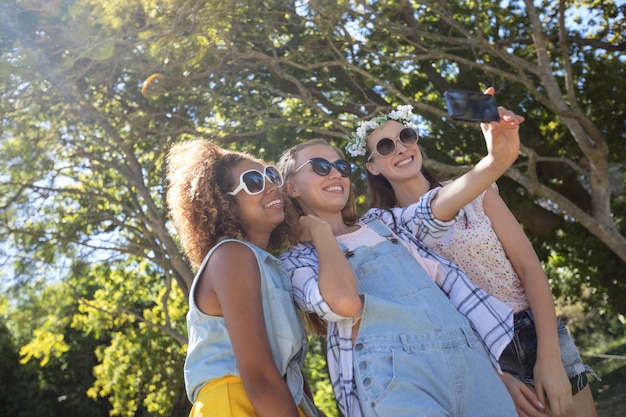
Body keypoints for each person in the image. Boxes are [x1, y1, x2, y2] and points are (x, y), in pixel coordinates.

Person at [357, 94, 598, 417]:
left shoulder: (479, 190)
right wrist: (497, 376)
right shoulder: (387, 231)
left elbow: (529, 269)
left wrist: (550, 358)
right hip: (473, 357)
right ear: (372, 166)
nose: (400, 147)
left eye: (406, 136)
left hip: (534, 331)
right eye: (385, 146)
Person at [277, 102, 522, 417]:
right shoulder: (296, 260)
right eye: (321, 167)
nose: (336, 173)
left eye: (341, 166)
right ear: (292, 187)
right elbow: (343, 303)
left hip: (470, 362)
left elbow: (435, 207)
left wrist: (496, 160)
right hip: (396, 381)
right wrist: (321, 233)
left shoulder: (385, 222)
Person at [165, 139, 319, 417]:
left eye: (271, 175)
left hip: (277, 400)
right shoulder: (231, 256)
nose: (272, 186)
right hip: (233, 403)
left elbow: (286, 368)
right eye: (253, 181)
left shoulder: (270, 265)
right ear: (225, 203)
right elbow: (259, 377)